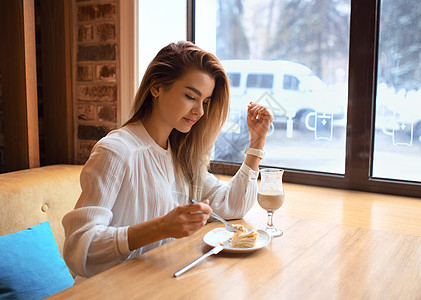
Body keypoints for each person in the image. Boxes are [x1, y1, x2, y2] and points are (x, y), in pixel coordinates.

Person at [62, 41, 273, 277]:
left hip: (162, 281)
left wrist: (256, 143)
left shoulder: (179, 153)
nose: (200, 112)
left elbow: (231, 206)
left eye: (205, 101)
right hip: (116, 289)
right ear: (156, 87)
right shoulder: (116, 151)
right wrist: (160, 227)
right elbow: (79, 248)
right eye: (190, 96)